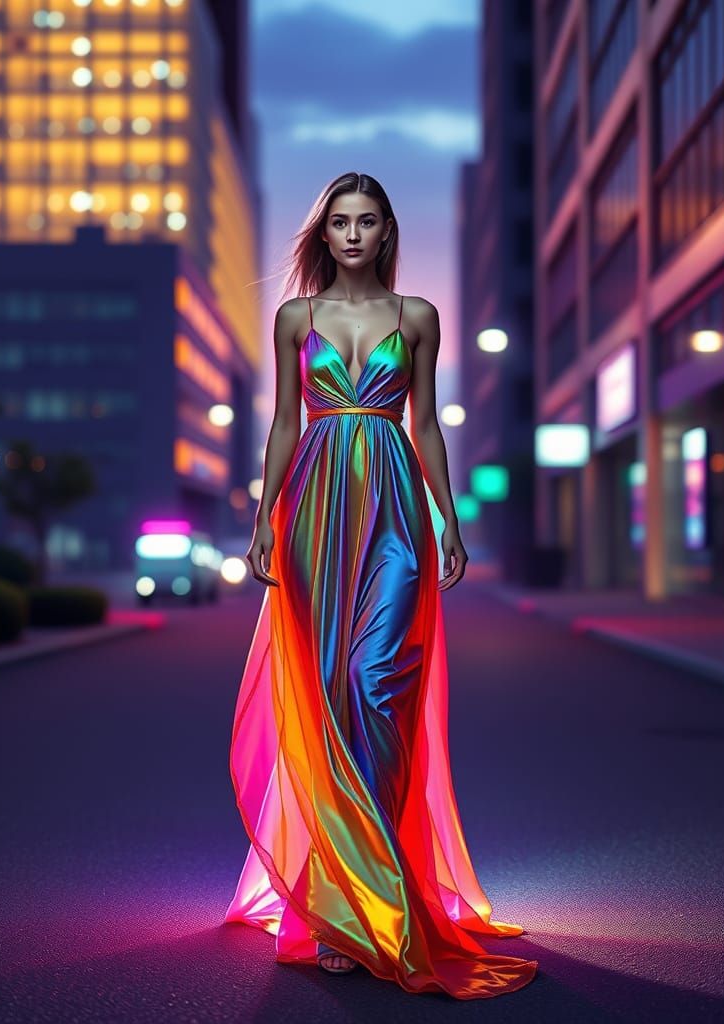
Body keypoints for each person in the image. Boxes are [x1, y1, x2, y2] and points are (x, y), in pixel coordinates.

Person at [224, 172, 539, 999]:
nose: (354, 234)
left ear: (387, 231)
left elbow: (425, 423)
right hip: (313, 506)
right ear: (324, 234)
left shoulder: (417, 316)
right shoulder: (295, 319)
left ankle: (382, 882)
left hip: (395, 505)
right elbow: (284, 423)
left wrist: (449, 519)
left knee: (377, 684)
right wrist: (263, 521)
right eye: (340, 222)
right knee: (328, 692)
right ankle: (340, 906)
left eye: (367, 221)